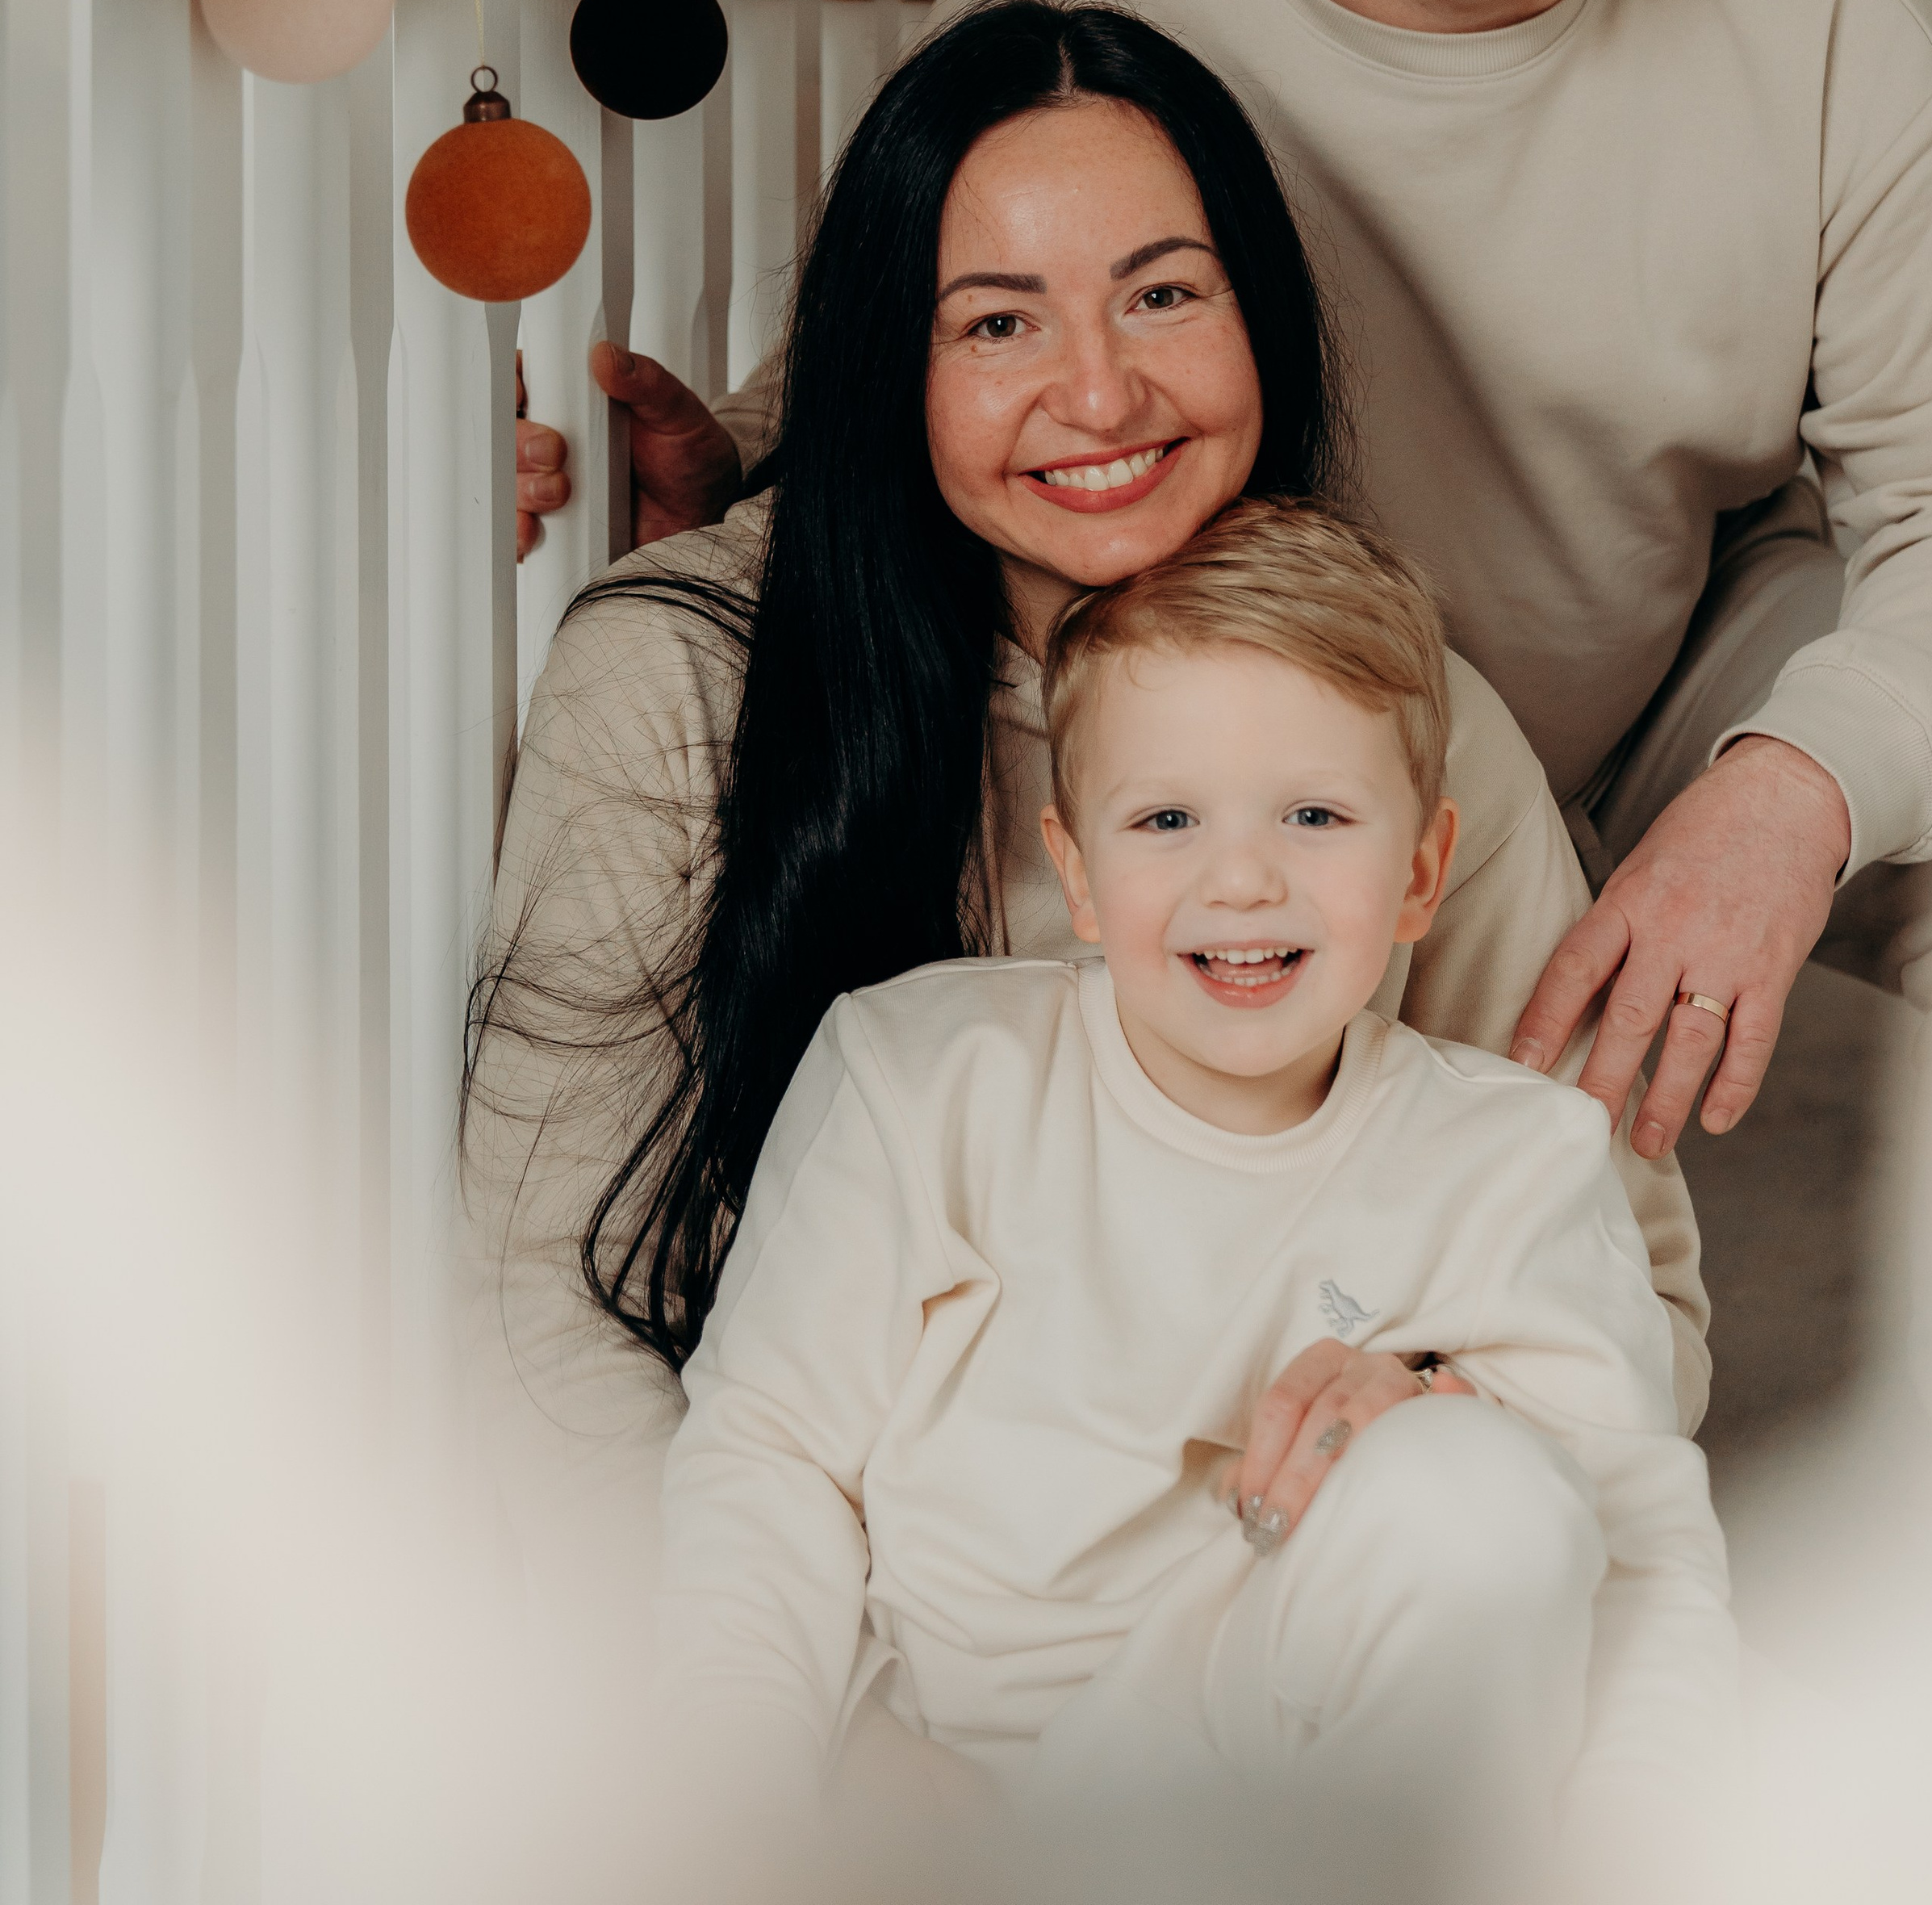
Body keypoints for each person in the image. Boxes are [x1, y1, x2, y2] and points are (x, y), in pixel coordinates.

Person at [538, 0, 1932, 1187]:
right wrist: (741, 461)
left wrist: (1789, 791)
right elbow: (943, 342)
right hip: (1229, 705)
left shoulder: (1833, 18)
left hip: (1665, 683)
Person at [466, 0, 1705, 1665]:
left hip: (1281, 1662)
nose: (1101, 392)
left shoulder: (1405, 711)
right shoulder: (680, 677)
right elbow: (547, 1315)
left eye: (1164, 294)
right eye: (996, 323)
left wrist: (1442, 1403)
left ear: (1259, 317)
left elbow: (1632, 1301)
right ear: (889, 364)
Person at [659, 500, 1732, 1886]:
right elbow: (766, 1469)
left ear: (1420, 872)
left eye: (1315, 815)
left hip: (1312, 1795)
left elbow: (1645, 1564)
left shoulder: (1518, 1161)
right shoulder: (923, 1076)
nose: (1242, 878)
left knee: (1487, 1490)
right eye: (1167, 818)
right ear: (1078, 872)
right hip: (970, 1813)